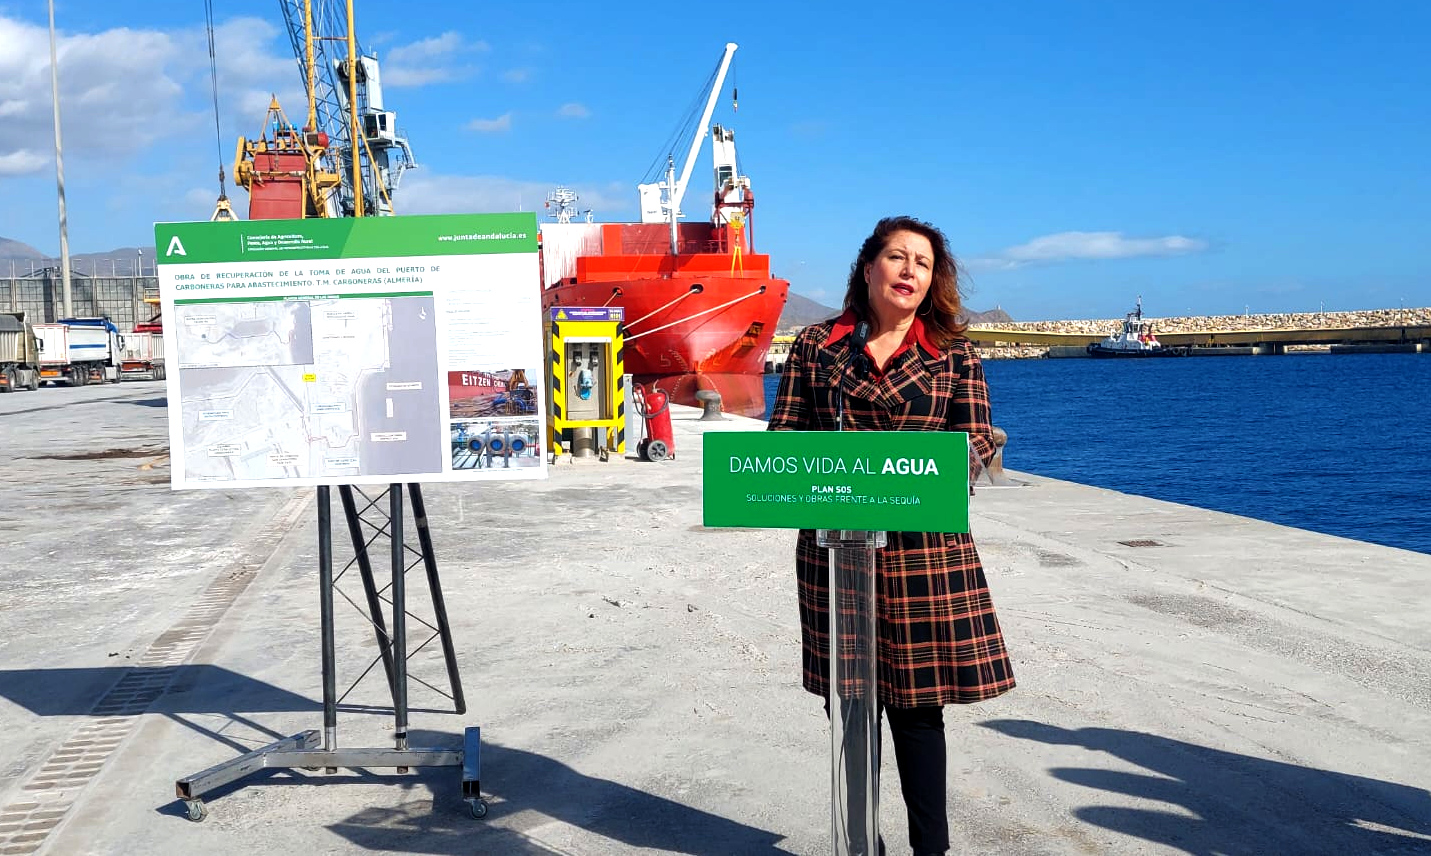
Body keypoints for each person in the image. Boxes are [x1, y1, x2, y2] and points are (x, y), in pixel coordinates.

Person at [767, 215, 1016, 856]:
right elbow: (783, 439)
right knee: (850, 711)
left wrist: (962, 460)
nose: (910, 271)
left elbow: (981, 442)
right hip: (837, 548)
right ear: (869, 266)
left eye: (924, 263)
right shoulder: (818, 346)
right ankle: (861, 843)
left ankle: (931, 851)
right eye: (898, 257)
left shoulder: (954, 352)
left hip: (922, 549)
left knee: (917, 709)